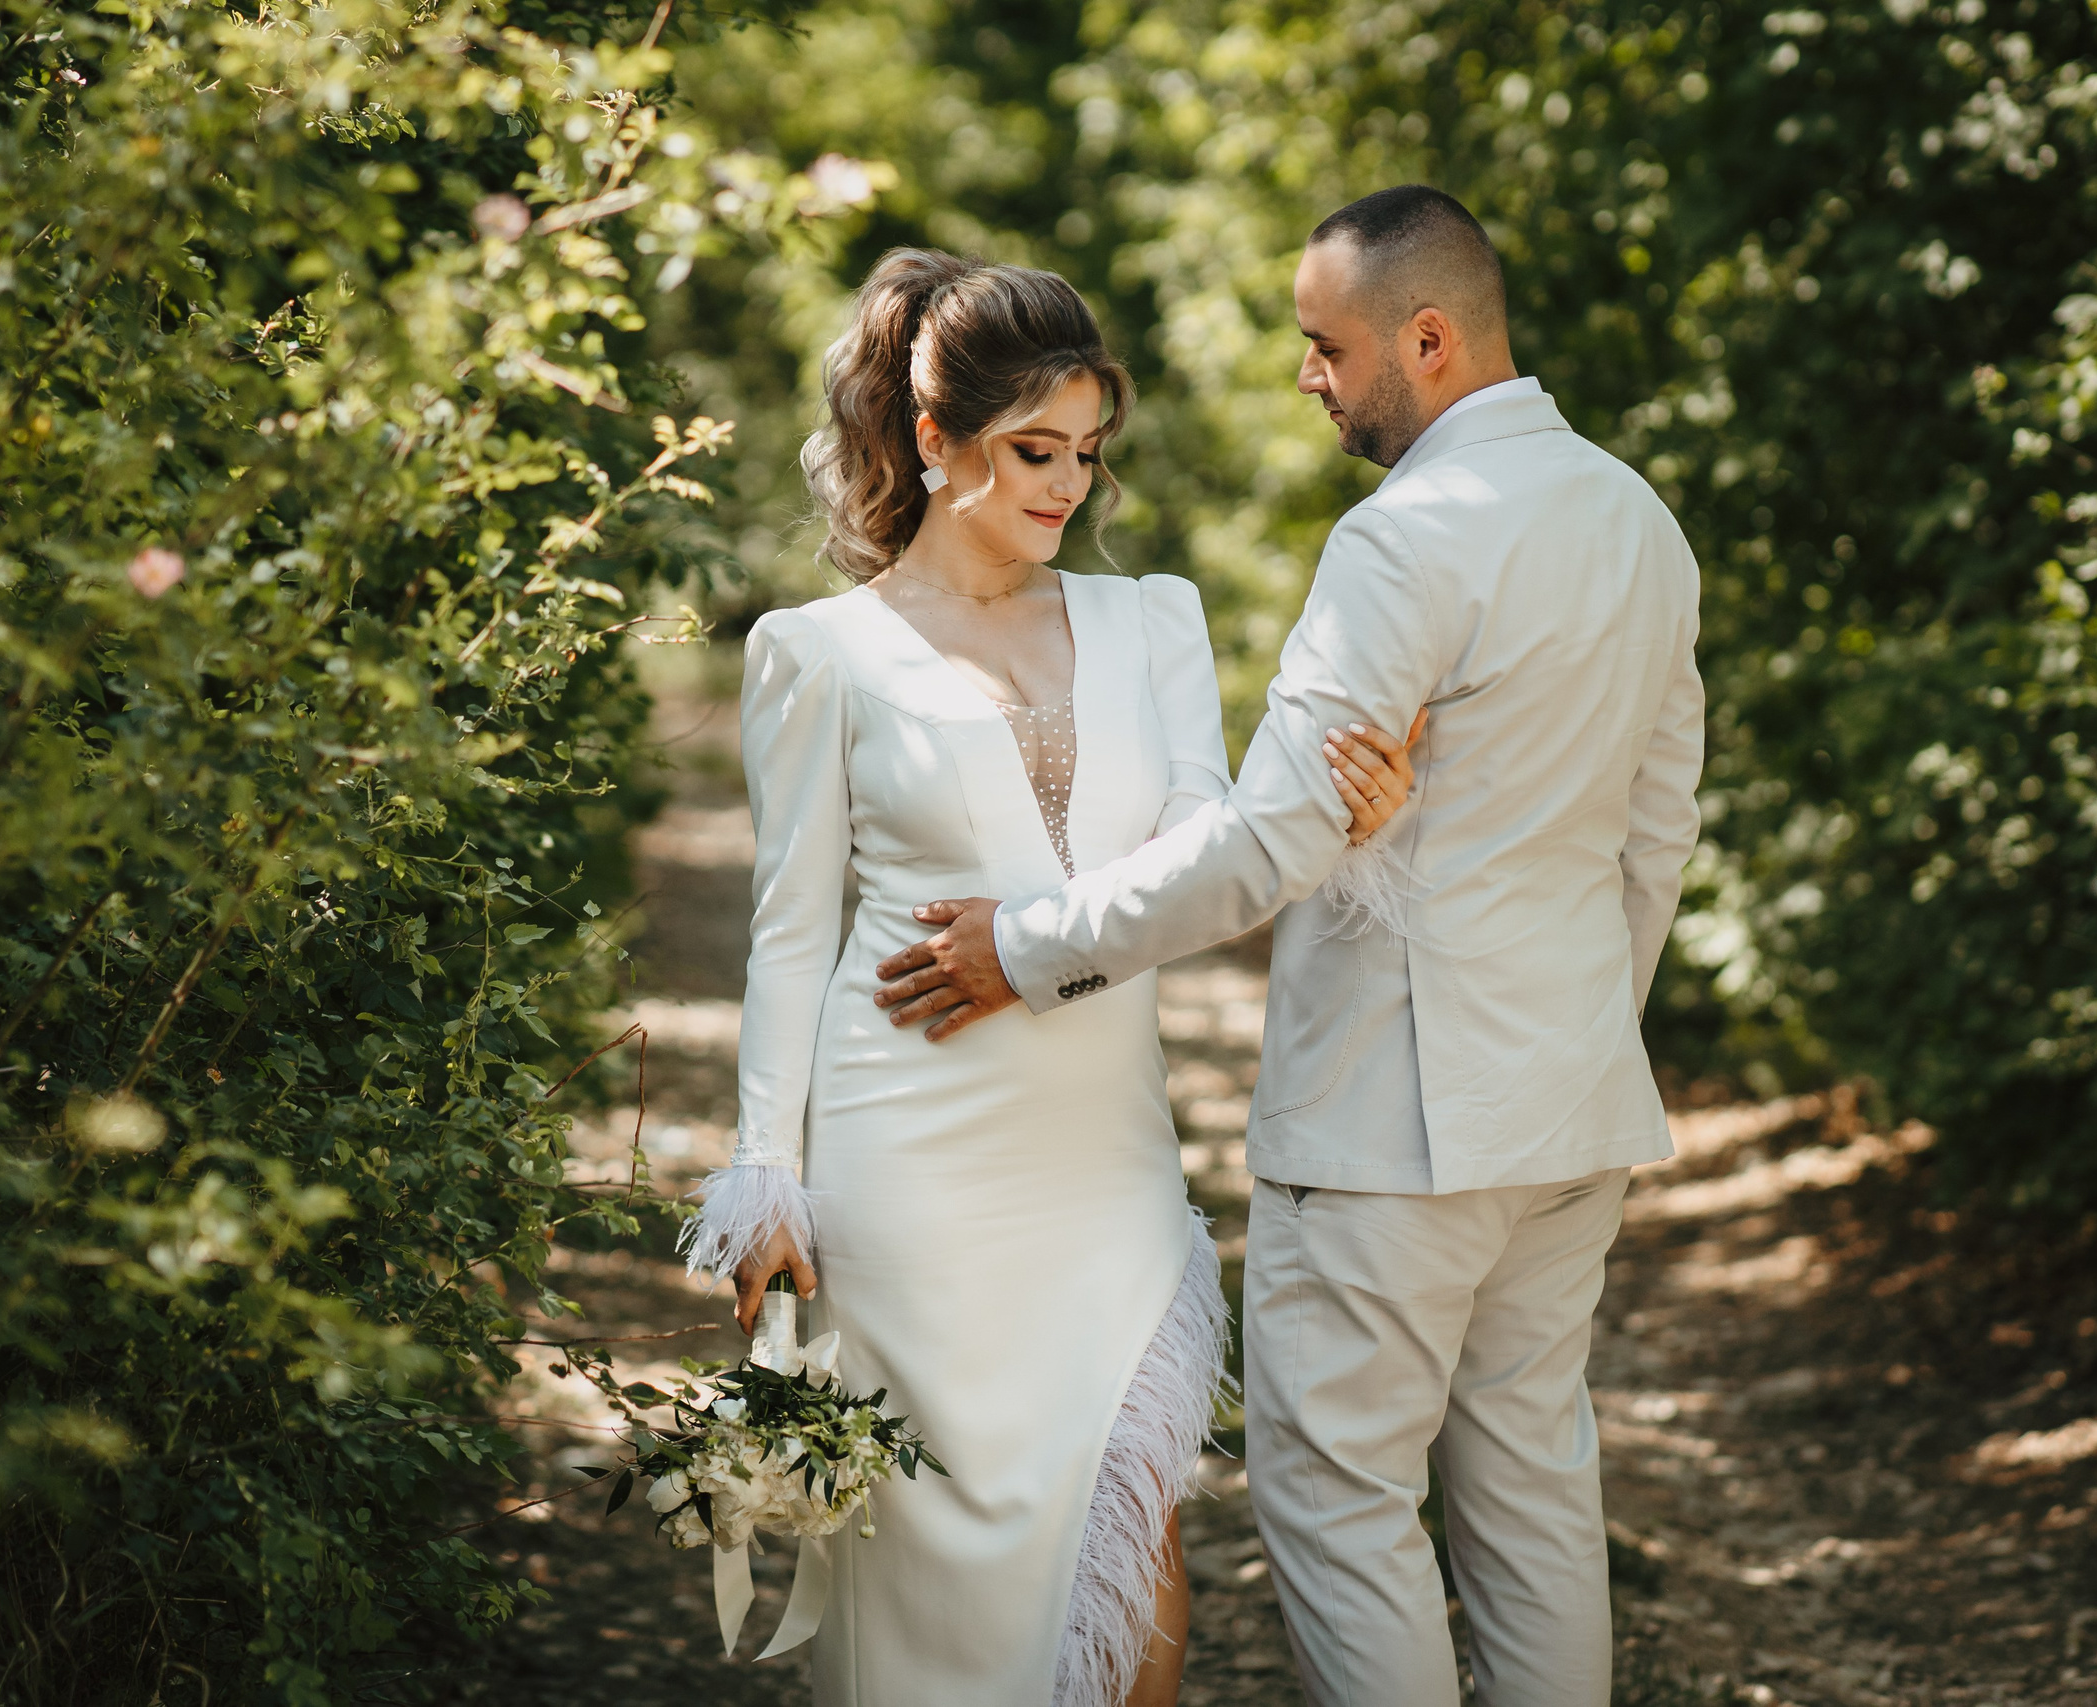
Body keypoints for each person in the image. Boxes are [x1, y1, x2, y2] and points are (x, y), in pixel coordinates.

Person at [870, 186, 1706, 1707]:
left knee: (1341, 1500)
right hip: (1572, 1106)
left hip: (1393, 1121)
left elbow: (1265, 844)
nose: (1305, 374)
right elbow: (1657, 833)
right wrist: (1588, 1027)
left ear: (1429, 339)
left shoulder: (1405, 542)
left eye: (1327, 345)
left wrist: (1029, 948)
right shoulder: (1636, 520)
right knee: (1533, 1491)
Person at [682, 247, 1420, 1707]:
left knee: (1133, 1535)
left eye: (1087, 451)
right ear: (932, 436)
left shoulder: (1155, 620)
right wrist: (765, 1173)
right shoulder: (817, 653)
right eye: (1036, 450)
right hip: (906, 1166)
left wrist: (1338, 820)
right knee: (922, 1573)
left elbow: (1207, 856)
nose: (1069, 484)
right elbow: (790, 932)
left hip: (1106, 1166)